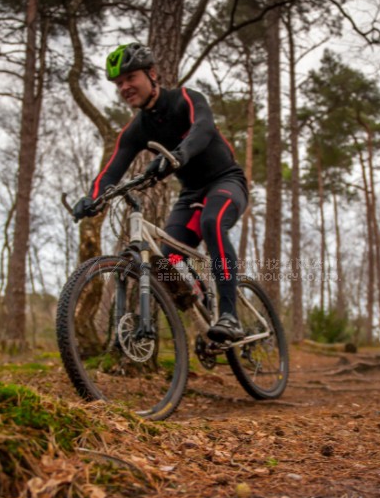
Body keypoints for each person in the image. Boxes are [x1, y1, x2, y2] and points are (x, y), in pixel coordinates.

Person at [73, 43, 249, 343]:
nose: (125, 87)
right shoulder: (136, 130)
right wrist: (93, 197)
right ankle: (203, 303)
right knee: (166, 262)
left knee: (212, 222)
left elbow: (203, 129)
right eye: (119, 84)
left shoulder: (186, 99)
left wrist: (176, 155)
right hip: (191, 193)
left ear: (152, 74)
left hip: (226, 181)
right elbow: (111, 171)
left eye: (131, 78)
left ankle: (230, 316)